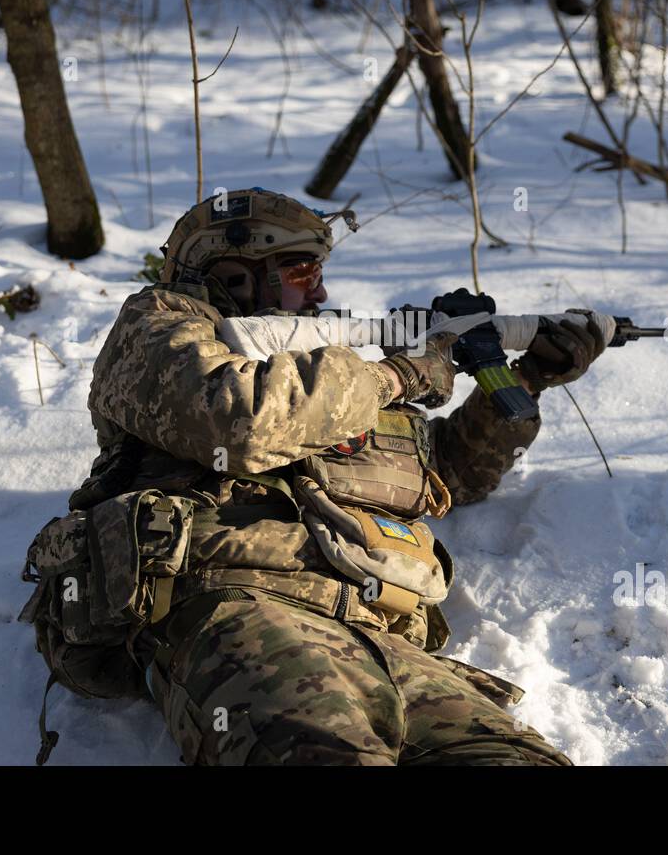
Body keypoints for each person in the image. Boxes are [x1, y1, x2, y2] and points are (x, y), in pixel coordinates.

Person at [70, 187, 610, 765]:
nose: (321, 292)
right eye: (303, 273)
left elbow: (449, 473)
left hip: (381, 630)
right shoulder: (160, 329)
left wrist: (526, 379)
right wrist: (399, 376)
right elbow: (241, 422)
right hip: (239, 602)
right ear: (235, 272)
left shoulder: (330, 376)